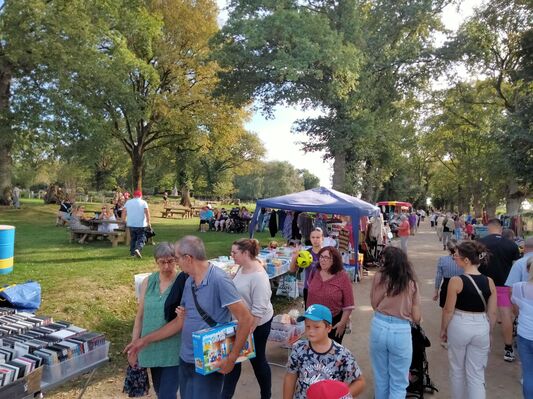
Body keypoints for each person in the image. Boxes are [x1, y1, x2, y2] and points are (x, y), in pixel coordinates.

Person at [125, 243, 188, 399]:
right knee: (160, 392)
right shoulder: (148, 281)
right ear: (156, 261)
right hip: (150, 347)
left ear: (176, 260)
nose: (167, 266)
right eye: (162, 262)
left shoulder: (183, 281)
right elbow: (140, 316)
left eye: (171, 261)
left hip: (173, 348)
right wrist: (134, 344)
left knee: (167, 394)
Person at [440, 241, 497, 399]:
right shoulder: (489, 281)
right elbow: (492, 313)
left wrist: (443, 329)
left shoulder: (456, 281)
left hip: (460, 323)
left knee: (457, 370)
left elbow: (448, 310)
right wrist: (490, 332)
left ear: (466, 260)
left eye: (456, 256)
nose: (454, 258)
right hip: (481, 326)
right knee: (477, 374)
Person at [221, 239, 274, 399]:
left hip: (257, 325)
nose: (232, 255)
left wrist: (247, 332)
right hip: (240, 323)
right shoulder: (241, 267)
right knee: (234, 359)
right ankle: (225, 396)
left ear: (245, 253)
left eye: (234, 252)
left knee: (257, 361)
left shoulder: (259, 277)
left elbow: (258, 310)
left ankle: (266, 395)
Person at [369, 246, 421, 399]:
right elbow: (416, 316)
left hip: (379, 326)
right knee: (399, 381)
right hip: (401, 329)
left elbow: (374, 304)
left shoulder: (379, 277)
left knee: (381, 376)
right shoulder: (411, 282)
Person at [283, 304, 365, 399]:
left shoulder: (342, 354)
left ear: (328, 328)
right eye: (307, 326)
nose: (310, 331)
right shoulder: (298, 349)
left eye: (316, 327)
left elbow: (360, 382)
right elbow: (290, 377)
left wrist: (343, 396)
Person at [478, 218, 521, 361]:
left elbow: (476, 264)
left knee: (484, 315)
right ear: (500, 229)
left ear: (488, 228)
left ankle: (484, 346)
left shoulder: (481, 243)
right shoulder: (511, 245)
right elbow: (515, 267)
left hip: (484, 284)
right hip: (504, 284)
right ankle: (508, 349)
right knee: (506, 315)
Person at [306, 246, 354, 344]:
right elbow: (309, 291)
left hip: (333, 322)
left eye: (327, 258)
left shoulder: (342, 276)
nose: (323, 260)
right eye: (321, 257)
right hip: (313, 320)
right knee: (314, 349)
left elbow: (348, 304)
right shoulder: (315, 271)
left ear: (334, 261)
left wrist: (342, 323)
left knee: (331, 352)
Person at [433, 239, 463, 346]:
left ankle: (444, 333)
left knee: (446, 311)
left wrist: (436, 291)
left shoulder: (442, 260)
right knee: (458, 311)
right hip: (461, 285)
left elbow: (438, 276)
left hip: (446, 286)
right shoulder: (463, 260)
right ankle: (457, 335)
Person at [511, 257, 533, 399]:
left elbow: (515, 310)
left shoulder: (518, 287)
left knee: (528, 374)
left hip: (525, 335)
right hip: (524, 335)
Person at [289, 227, 324, 307]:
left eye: (318, 237)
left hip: (323, 289)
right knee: (309, 314)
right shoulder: (305, 254)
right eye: (313, 237)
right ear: (310, 239)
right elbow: (292, 270)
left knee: (322, 315)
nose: (315, 240)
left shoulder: (327, 253)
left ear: (323, 238)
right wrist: (294, 257)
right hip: (308, 289)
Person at [122, 190, 151, 258]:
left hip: (131, 224)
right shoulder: (143, 202)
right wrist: (148, 222)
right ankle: (138, 249)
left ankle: (132, 254)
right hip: (141, 224)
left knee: (133, 239)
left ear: (134, 196)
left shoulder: (128, 202)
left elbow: (124, 211)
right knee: (141, 238)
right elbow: (147, 212)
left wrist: (123, 220)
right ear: (141, 195)